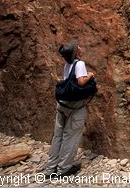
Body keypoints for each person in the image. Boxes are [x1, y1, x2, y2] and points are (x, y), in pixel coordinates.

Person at [44, 40, 95, 177]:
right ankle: (64, 169)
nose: (81, 47)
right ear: (76, 52)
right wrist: (89, 75)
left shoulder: (67, 64)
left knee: (58, 136)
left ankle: (51, 168)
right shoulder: (80, 64)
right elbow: (80, 81)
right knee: (70, 136)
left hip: (62, 104)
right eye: (79, 47)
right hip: (74, 106)